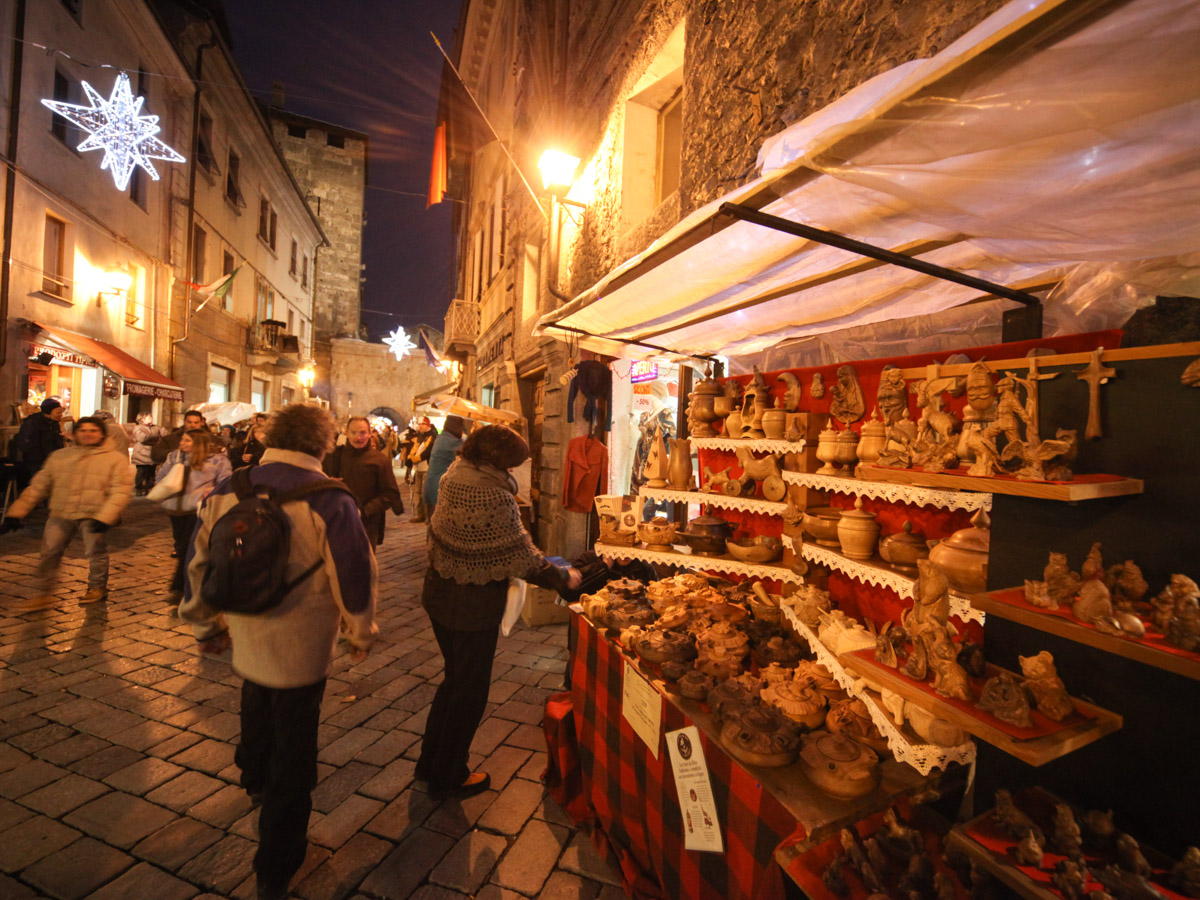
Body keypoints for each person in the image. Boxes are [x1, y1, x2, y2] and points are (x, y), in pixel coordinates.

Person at [179, 405, 376, 900]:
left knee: (255, 692)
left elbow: (198, 559)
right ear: (323, 444)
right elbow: (353, 570)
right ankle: (277, 862)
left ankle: (253, 774)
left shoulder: (231, 488)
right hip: (302, 635)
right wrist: (359, 630)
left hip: (245, 625)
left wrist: (204, 624)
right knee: (296, 739)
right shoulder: (329, 498)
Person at [417, 425, 581, 799]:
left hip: (440, 594)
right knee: (469, 693)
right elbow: (521, 557)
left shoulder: (453, 475)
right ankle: (449, 776)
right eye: (514, 464)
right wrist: (563, 577)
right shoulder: (492, 494)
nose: (516, 471)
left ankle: (431, 764)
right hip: (471, 607)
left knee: (453, 681)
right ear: (496, 460)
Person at [1, 416, 133, 608]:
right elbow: (39, 486)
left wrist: (106, 517)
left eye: (93, 430)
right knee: (49, 553)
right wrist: (16, 513)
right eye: (83, 430)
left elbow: (121, 490)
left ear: (102, 434)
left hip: (93, 515)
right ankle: (43, 592)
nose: (88, 434)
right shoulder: (60, 456)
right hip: (62, 512)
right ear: (75, 433)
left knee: (95, 552)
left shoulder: (114, 458)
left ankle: (97, 587)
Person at [158, 429, 232, 605]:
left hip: (197, 510)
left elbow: (225, 483)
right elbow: (160, 476)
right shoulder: (174, 457)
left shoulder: (217, 460)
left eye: (187, 441)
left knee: (186, 548)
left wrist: (206, 494)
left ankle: (179, 587)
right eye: (182, 440)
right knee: (182, 546)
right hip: (175, 508)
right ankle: (192, 582)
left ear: (198, 443)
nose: (182, 444)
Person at [322, 416, 404, 549]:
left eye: (363, 433)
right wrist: (326, 482)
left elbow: (390, 494)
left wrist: (364, 511)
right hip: (336, 522)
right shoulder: (332, 457)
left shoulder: (379, 460)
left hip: (366, 525)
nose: (358, 438)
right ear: (346, 433)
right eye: (353, 433)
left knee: (363, 565)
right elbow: (315, 483)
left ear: (370, 433)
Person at [13, 398, 65, 489]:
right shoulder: (32, 423)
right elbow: (27, 445)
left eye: (61, 412)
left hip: (52, 464)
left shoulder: (54, 424)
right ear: (48, 412)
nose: (61, 415)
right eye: (58, 412)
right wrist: (41, 462)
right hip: (36, 466)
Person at [422, 415, 465, 515]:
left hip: (432, 487)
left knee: (433, 524)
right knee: (437, 524)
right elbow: (468, 446)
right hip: (437, 488)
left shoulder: (443, 437)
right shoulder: (448, 441)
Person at [409, 417, 438, 522]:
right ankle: (419, 514)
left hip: (427, 467)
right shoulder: (419, 437)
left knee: (425, 492)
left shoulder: (433, 437)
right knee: (417, 492)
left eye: (423, 424)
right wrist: (411, 457)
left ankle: (427, 515)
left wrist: (418, 458)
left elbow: (428, 452)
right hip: (417, 468)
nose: (420, 426)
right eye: (419, 424)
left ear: (427, 425)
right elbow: (414, 449)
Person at [130, 413, 164, 496]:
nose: (151, 419)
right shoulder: (138, 428)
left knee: (151, 473)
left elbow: (164, 435)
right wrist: (156, 437)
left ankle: (149, 488)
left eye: (151, 417)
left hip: (152, 454)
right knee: (141, 472)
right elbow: (142, 438)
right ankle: (139, 488)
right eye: (148, 417)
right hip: (141, 454)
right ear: (142, 419)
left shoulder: (155, 427)